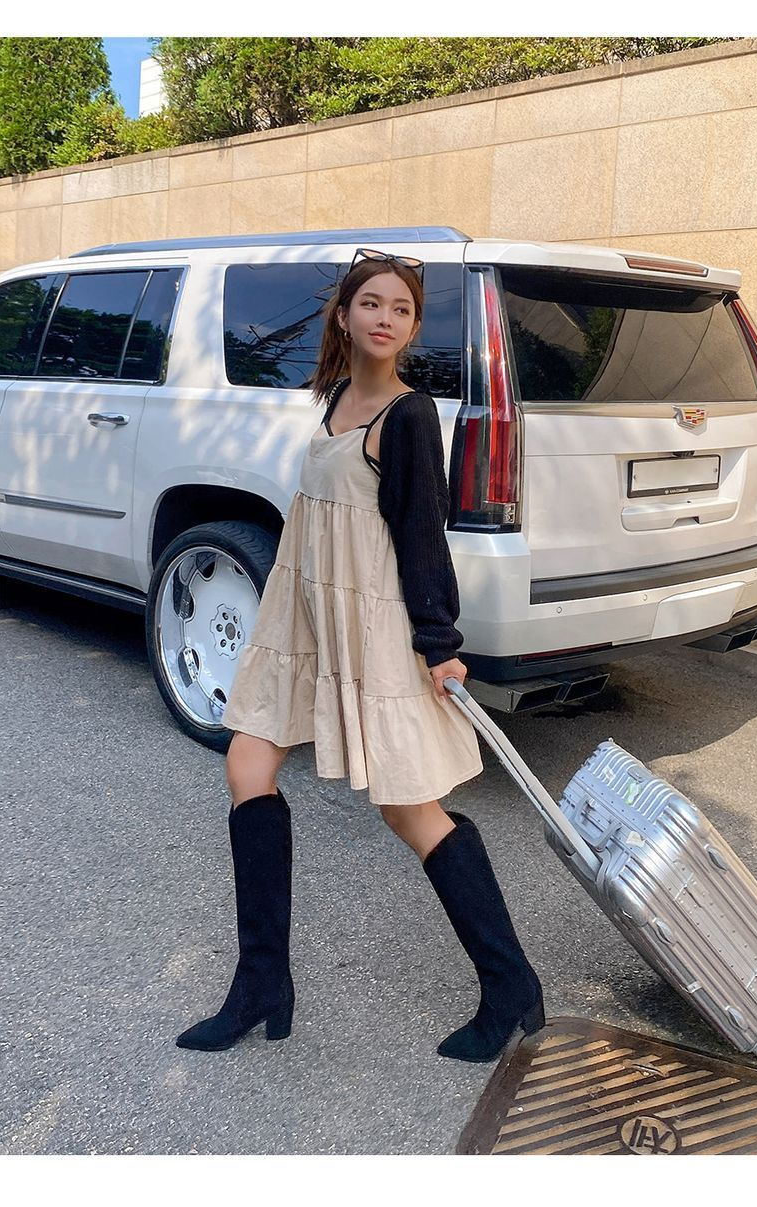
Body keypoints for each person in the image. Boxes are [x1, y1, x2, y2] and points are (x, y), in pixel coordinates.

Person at [175, 248, 544, 1061]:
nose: (385, 317)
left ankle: (510, 981)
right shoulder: (338, 394)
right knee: (247, 764)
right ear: (343, 315)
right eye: (371, 302)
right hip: (301, 611)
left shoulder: (409, 416)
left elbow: (421, 534)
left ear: (412, 328)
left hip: (369, 622)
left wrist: (440, 645)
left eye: (401, 309)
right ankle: (262, 982)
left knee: (408, 807)